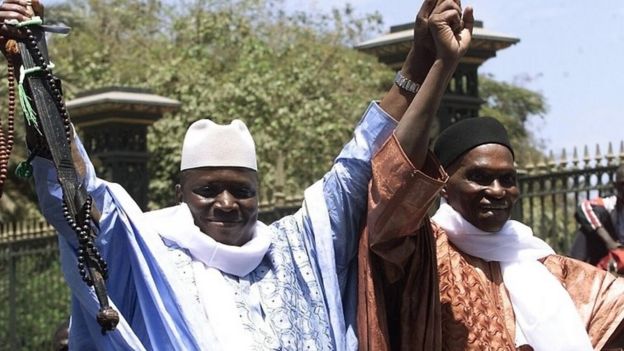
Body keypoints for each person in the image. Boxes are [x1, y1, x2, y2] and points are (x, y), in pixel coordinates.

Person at [0, 0, 457, 349]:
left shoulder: (295, 251)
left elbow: (359, 162)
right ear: (181, 191)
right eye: (207, 189)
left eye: (241, 189)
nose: (225, 202)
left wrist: (420, 57)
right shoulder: (145, 254)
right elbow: (79, 193)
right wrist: (36, 59)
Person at [358, 117, 624, 347]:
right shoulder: (420, 251)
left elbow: (611, 305)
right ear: (443, 184)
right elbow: (395, 182)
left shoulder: (539, 260)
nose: (498, 191)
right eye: (480, 177)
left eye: (507, 179)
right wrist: (438, 68)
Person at [570, 164, 624, 266]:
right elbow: (584, 208)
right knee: (587, 228)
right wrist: (609, 241)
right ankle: (573, 266)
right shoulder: (610, 203)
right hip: (611, 253)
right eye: (623, 184)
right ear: (615, 185)